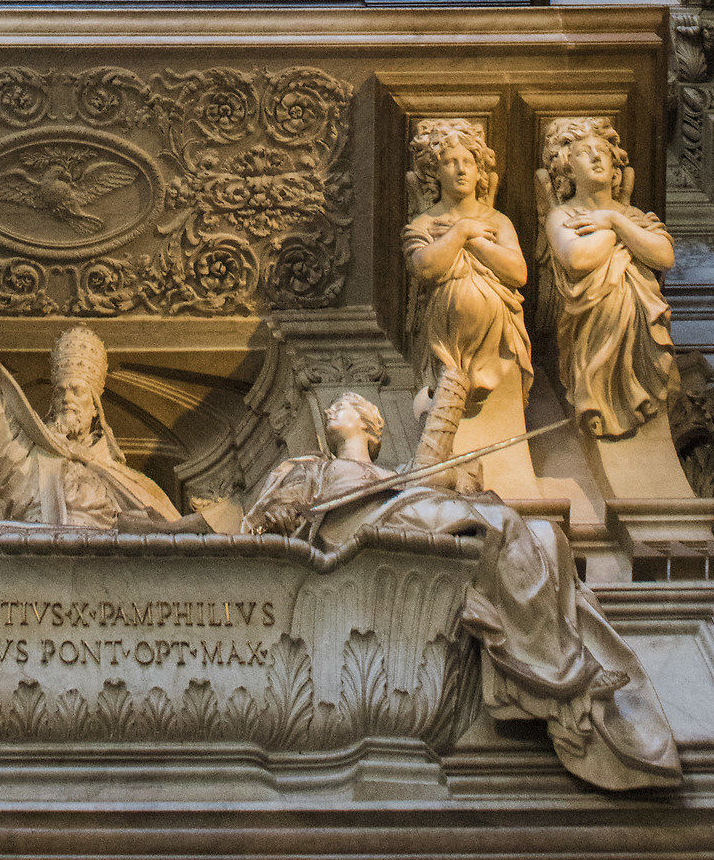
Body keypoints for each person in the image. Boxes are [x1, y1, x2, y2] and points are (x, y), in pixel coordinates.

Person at [242, 390, 680, 794]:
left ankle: (555, 662)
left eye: (346, 405)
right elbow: (267, 519)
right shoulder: (309, 467)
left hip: (401, 516)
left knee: (546, 536)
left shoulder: (397, 475)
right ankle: (561, 676)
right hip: (357, 530)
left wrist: (455, 480)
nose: (332, 410)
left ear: (371, 424)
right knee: (503, 524)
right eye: (333, 406)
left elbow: (435, 484)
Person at [0, 250, 181, 526]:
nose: (66, 399)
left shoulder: (133, 484)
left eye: (77, 390)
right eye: (59, 391)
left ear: (96, 407)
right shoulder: (27, 463)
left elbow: (173, 539)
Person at [403, 116, 532, 467]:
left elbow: (517, 272)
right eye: (449, 162)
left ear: (480, 172)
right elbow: (425, 267)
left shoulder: (498, 221)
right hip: (444, 345)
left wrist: (470, 236)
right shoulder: (423, 222)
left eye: (469, 162)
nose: (460, 169)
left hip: (497, 341)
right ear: (434, 173)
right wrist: (459, 233)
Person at [537, 118, 678, 439]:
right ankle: (596, 399)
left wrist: (614, 220)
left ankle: (634, 394)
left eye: (603, 151)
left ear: (615, 164)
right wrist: (618, 232)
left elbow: (664, 256)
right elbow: (578, 259)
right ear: (567, 167)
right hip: (593, 322)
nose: (597, 157)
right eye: (585, 153)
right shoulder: (564, 215)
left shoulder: (631, 216)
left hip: (640, 322)